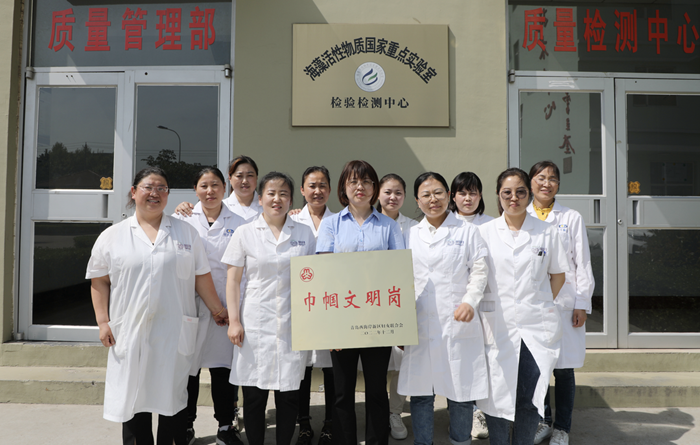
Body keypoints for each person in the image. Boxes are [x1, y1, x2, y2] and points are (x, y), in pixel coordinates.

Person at [87, 167, 228, 445]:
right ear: (133, 192)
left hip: (173, 331)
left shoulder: (186, 232)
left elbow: (201, 277)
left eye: (161, 188)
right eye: (148, 187)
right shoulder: (113, 236)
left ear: (168, 194)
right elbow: (99, 280)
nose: (155, 193)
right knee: (133, 398)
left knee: (172, 400)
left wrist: (219, 311)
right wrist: (103, 322)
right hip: (130, 331)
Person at [476, 167, 569, 445]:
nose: (513, 198)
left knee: (529, 397)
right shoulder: (484, 232)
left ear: (529, 194)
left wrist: (538, 302)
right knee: (496, 397)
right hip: (497, 325)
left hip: (535, 327)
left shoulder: (546, 231)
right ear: (498, 195)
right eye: (507, 192)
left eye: (520, 192)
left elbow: (558, 275)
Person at [223, 172, 316, 445]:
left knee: (289, 395)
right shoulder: (245, 232)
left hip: (293, 323)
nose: (277, 199)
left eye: (284, 194)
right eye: (271, 193)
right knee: (254, 396)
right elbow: (233, 280)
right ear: (260, 198)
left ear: (291, 200)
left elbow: (314, 279)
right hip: (255, 323)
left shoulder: (304, 233)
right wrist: (234, 321)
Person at [316, 160, 405, 445]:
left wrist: (400, 325)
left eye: (366, 182)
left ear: (374, 188)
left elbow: (398, 273)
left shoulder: (389, 226)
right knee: (342, 391)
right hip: (342, 320)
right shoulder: (331, 224)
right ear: (343, 187)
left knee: (376, 389)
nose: (360, 187)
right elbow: (324, 275)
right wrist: (329, 325)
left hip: (378, 320)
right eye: (353, 181)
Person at [398, 172, 490, 445]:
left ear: (448, 196)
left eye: (438, 193)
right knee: (421, 394)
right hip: (420, 324)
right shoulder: (410, 234)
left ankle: (460, 441)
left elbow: (480, 271)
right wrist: (400, 322)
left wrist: (470, 301)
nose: (433, 199)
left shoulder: (467, 231)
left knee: (460, 394)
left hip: (457, 323)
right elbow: (400, 280)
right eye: (425, 195)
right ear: (417, 201)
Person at [173, 167, 246, 445]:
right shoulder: (181, 220)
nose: (210, 191)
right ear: (195, 189)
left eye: (215, 185)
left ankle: (225, 426)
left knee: (222, 369)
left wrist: (229, 310)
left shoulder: (239, 223)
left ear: (225, 188)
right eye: (203, 185)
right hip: (190, 305)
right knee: (189, 369)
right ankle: (186, 425)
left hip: (226, 308)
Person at [527, 161, 594, 445]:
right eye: (540, 178)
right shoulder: (521, 215)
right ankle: (543, 421)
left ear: (558, 185)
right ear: (530, 182)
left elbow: (583, 262)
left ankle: (562, 428)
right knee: (537, 368)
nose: (546, 183)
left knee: (564, 370)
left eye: (552, 179)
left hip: (565, 303)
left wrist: (582, 303)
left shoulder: (571, 217)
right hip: (533, 304)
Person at [289, 166, 336, 445]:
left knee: (332, 368)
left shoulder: (339, 220)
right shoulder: (291, 220)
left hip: (332, 305)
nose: (317, 191)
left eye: (322, 185)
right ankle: (303, 424)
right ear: (302, 190)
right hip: (302, 305)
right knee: (302, 368)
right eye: (312, 185)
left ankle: (330, 424)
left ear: (330, 189)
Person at [448, 171, 492, 439]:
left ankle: (479, 413)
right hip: (456, 307)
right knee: (458, 364)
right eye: (462, 193)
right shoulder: (446, 223)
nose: (467, 198)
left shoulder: (491, 224)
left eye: (472, 192)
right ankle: (460, 416)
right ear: (453, 196)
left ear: (480, 195)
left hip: (487, 305)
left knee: (482, 362)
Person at [375, 173, 417, 440]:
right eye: (387, 192)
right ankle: (377, 412)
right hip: (370, 303)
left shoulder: (413, 227)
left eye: (398, 192)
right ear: (378, 194)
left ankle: (394, 412)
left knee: (402, 363)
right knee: (376, 364)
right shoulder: (368, 222)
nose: (392, 197)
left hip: (401, 301)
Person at [176, 155, 262, 223]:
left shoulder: (266, 206)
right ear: (230, 178)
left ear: (257, 177)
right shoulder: (219, 206)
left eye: (250, 175)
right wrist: (183, 208)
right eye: (239, 176)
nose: (245, 181)